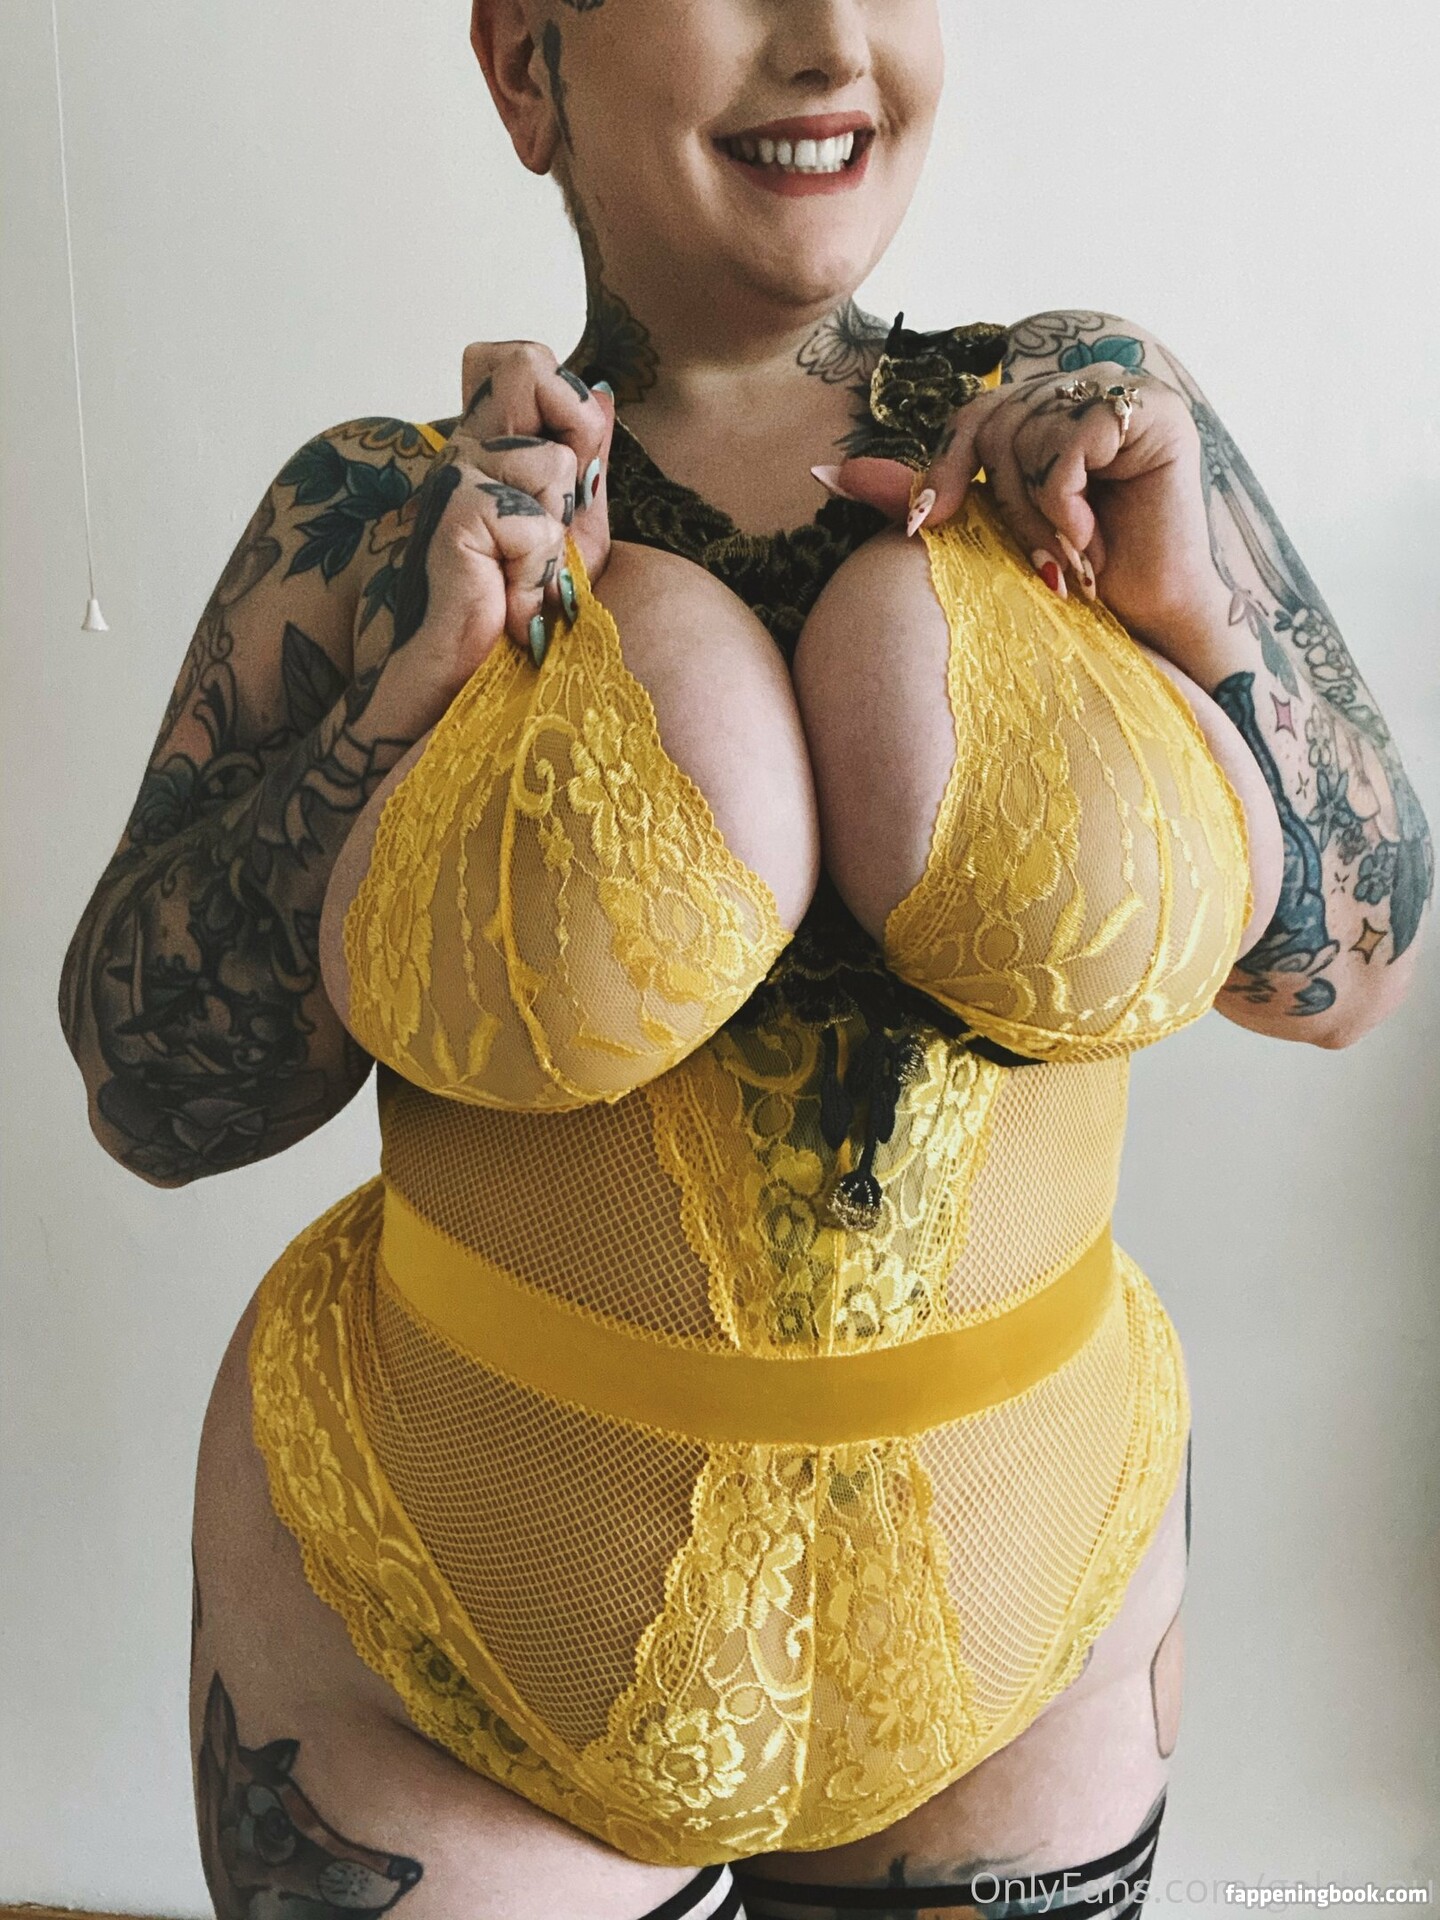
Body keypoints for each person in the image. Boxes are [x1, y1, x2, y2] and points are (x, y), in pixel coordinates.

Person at [59, 3, 1430, 1917]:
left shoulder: (1097, 441)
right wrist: (406, 693)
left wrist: (1192, 617)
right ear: (527, 65)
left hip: (1018, 1665)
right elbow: (155, 1098)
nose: (828, 38)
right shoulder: (385, 516)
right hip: (440, 1664)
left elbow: (1347, 977)